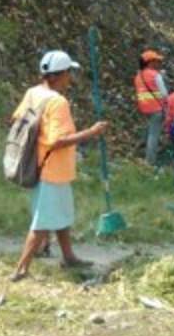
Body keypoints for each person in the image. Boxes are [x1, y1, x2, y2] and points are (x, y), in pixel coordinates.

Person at [10, 51, 108, 282]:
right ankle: (21, 269)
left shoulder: (33, 93)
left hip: (39, 164)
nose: (70, 78)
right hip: (52, 169)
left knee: (62, 215)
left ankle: (69, 257)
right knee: (43, 222)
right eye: (68, 73)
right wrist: (92, 132)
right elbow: (57, 140)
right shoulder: (58, 102)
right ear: (59, 75)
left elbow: (16, 120)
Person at [133, 49, 168, 167]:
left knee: (148, 131)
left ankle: (137, 152)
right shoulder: (155, 75)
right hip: (156, 109)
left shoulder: (138, 76)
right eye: (156, 61)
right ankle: (150, 162)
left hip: (144, 108)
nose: (159, 63)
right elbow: (164, 94)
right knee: (154, 135)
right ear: (150, 62)